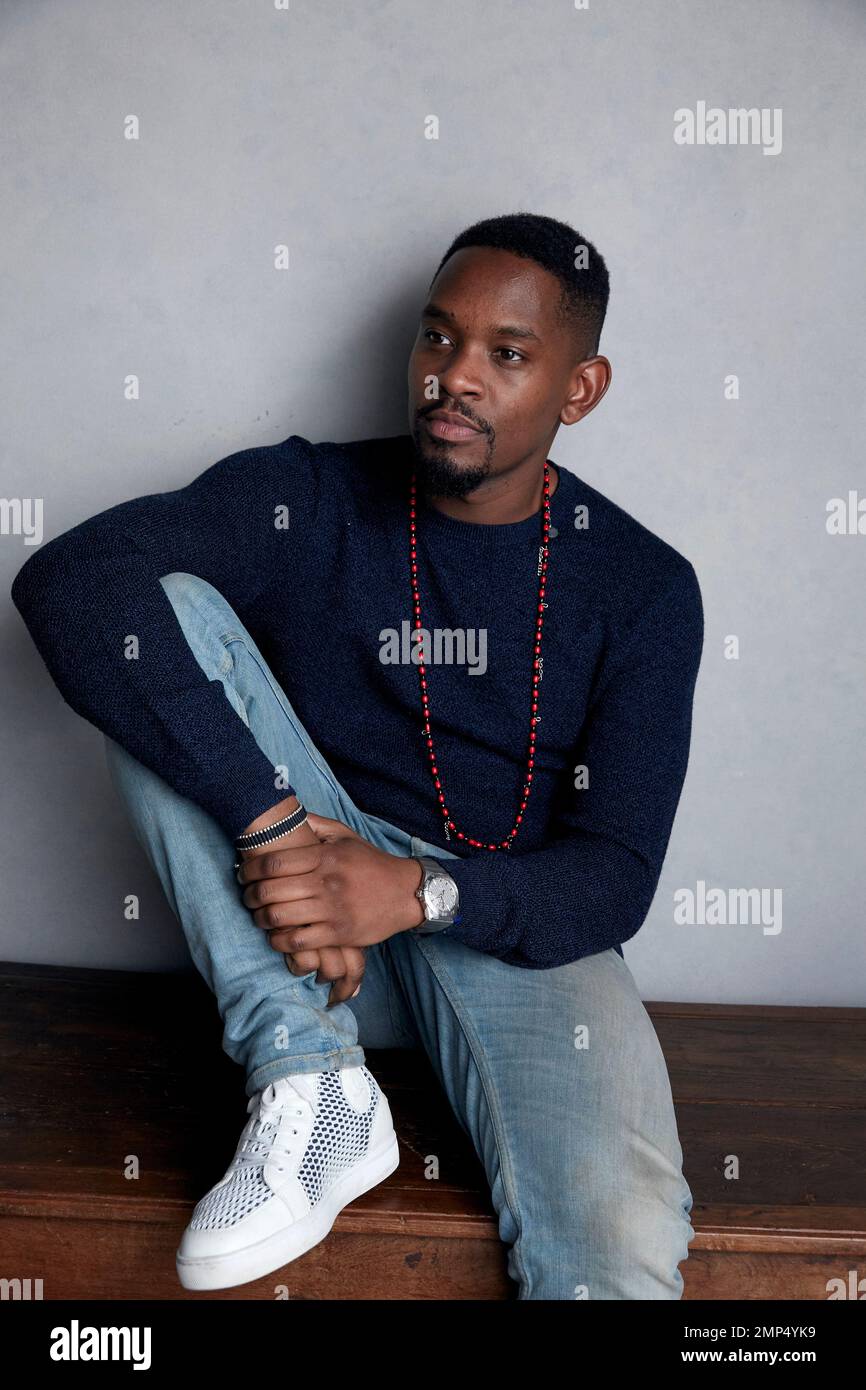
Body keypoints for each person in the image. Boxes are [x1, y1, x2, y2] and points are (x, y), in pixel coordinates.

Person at [11, 211, 703, 1298]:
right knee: (158, 611)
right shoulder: (308, 499)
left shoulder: (642, 587)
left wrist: (416, 893)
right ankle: (315, 1086)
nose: (453, 378)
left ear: (579, 389)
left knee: (620, 1236)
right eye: (437, 339)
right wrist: (273, 822)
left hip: (510, 940)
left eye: (505, 354)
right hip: (303, 932)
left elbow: (612, 873)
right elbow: (71, 586)